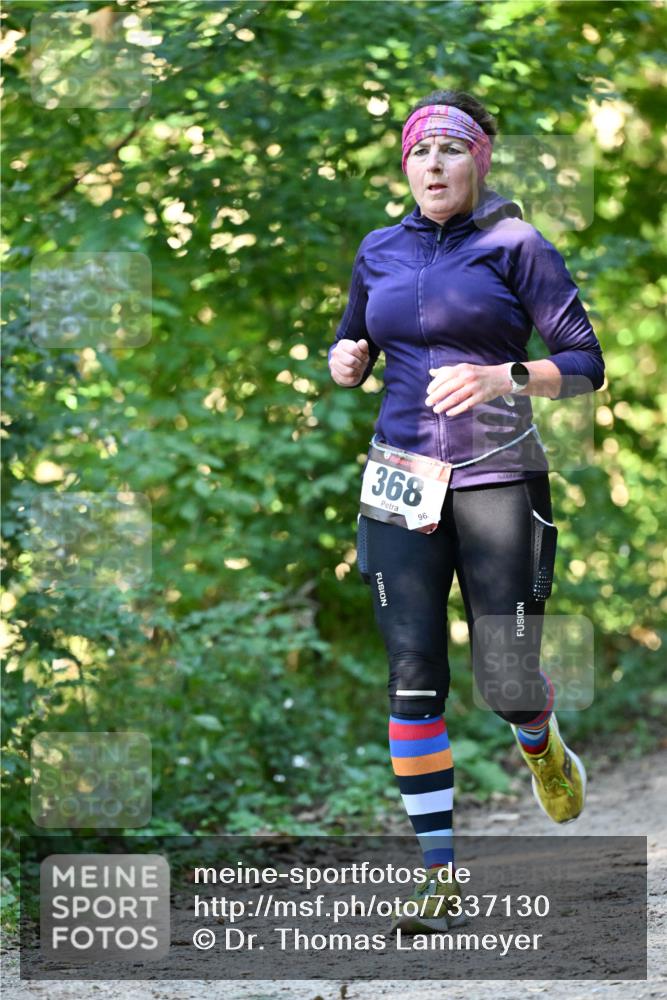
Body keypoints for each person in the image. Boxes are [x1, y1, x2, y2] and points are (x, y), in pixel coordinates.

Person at [327, 90, 605, 935]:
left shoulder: (516, 244)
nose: (434, 165)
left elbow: (585, 363)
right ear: (405, 164)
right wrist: (347, 358)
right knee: (412, 678)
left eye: (451, 149)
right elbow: (357, 342)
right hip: (399, 481)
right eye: (420, 152)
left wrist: (503, 376)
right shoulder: (378, 249)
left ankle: (537, 738)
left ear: (480, 158)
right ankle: (440, 876)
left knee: (504, 680)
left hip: (497, 475)